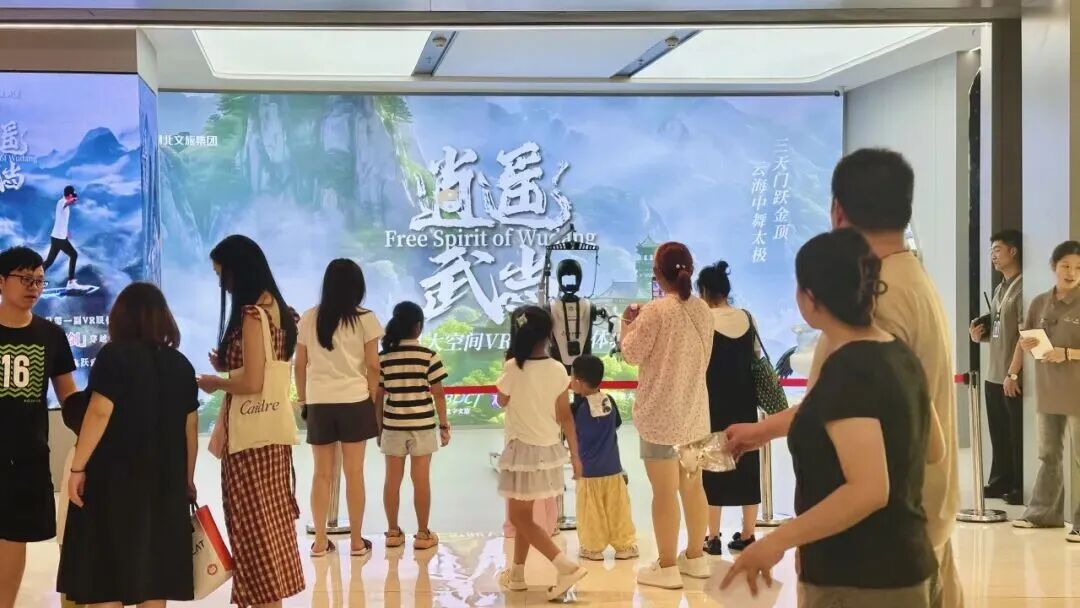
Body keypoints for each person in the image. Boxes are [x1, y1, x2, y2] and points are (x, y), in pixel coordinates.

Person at [727, 148, 963, 608]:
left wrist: (782, 539)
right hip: (915, 529)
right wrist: (764, 430)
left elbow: (864, 466)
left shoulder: (869, 326)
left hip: (860, 553)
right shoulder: (910, 282)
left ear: (838, 212)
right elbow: (910, 428)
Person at [57, 283, 199, 606]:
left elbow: (99, 412)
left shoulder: (114, 356)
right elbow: (190, 428)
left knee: (105, 578)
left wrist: (78, 468)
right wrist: (187, 480)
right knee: (155, 578)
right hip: (165, 485)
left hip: (113, 483)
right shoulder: (181, 364)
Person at [196, 235, 304, 608]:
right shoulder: (280, 311)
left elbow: (253, 382)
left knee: (252, 533)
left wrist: (216, 381)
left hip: (248, 445)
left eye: (222, 274)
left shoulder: (252, 315)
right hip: (272, 440)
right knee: (270, 529)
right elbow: (266, 368)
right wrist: (230, 364)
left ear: (237, 270)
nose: (222, 284)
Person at [619, 241, 713, 589]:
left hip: (660, 417)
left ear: (657, 274)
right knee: (693, 487)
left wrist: (626, 325)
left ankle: (667, 565)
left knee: (664, 492)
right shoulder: (703, 310)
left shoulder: (655, 312)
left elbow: (631, 354)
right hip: (695, 415)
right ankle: (696, 558)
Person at [0, 246, 77, 608]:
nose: (33, 287)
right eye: (25, 279)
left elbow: (70, 399)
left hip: (25, 456)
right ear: (2, 282)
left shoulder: (50, 335)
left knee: (13, 538)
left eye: (39, 280)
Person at [494, 305, 587, 601]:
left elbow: (502, 400)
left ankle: (565, 566)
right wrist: (575, 456)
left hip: (521, 448)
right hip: (548, 449)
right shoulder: (558, 369)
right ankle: (517, 574)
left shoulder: (513, 367)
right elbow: (565, 417)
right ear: (549, 335)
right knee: (525, 514)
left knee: (519, 516)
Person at [295, 259, 383, 558]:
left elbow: (299, 364)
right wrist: (370, 395)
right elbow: (373, 365)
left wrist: (303, 400)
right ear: (358, 286)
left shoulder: (309, 317)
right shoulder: (366, 319)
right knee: (354, 473)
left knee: (322, 474)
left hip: (319, 401)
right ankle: (356, 542)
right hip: (355, 400)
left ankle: (320, 541)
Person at [1010, 240, 1080, 543]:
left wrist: (1067, 353)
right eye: (1066, 266)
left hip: (1077, 392)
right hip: (1048, 390)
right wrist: (1022, 354)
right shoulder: (1039, 302)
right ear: (1054, 266)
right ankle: (1043, 514)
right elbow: (1025, 338)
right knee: (1048, 454)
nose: (1071, 272)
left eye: (1078, 268)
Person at [696, 261, 761, 555]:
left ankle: (712, 537)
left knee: (712, 466)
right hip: (745, 400)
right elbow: (755, 355)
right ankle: (748, 534)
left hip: (712, 402)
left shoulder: (704, 320)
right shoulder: (748, 317)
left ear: (704, 291)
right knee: (747, 464)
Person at [374, 301, 450, 552]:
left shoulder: (383, 358)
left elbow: (378, 397)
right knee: (421, 481)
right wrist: (444, 425)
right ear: (418, 326)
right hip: (423, 426)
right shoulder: (429, 356)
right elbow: (438, 395)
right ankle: (422, 534)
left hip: (393, 426)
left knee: (392, 481)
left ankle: (392, 533)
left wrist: (379, 428)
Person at [969, 230, 1025, 505]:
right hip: (993, 372)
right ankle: (999, 480)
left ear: (1013, 252)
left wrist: (1013, 372)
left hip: (1011, 373)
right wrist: (978, 334)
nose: (992, 255)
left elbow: (1024, 334)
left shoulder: (1023, 287)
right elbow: (998, 327)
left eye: (997, 250)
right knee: (998, 431)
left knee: (1015, 433)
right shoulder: (999, 288)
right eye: (991, 250)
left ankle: (1018, 484)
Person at [568, 354, 638, 562]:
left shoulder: (578, 408)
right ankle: (624, 545)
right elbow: (616, 424)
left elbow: (571, 432)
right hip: (613, 468)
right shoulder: (609, 400)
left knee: (591, 512)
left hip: (588, 472)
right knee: (618, 510)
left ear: (579, 381)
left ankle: (592, 548)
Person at [43, 185, 82, 290]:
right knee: (74, 255)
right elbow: (68, 203)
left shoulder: (63, 204)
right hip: (59, 238)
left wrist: (66, 232)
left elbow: (62, 220)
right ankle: (71, 282)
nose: (73, 197)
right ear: (69, 195)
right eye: (72, 195)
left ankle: (33, 278)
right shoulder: (62, 202)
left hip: (57, 237)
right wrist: (73, 200)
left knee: (49, 261)